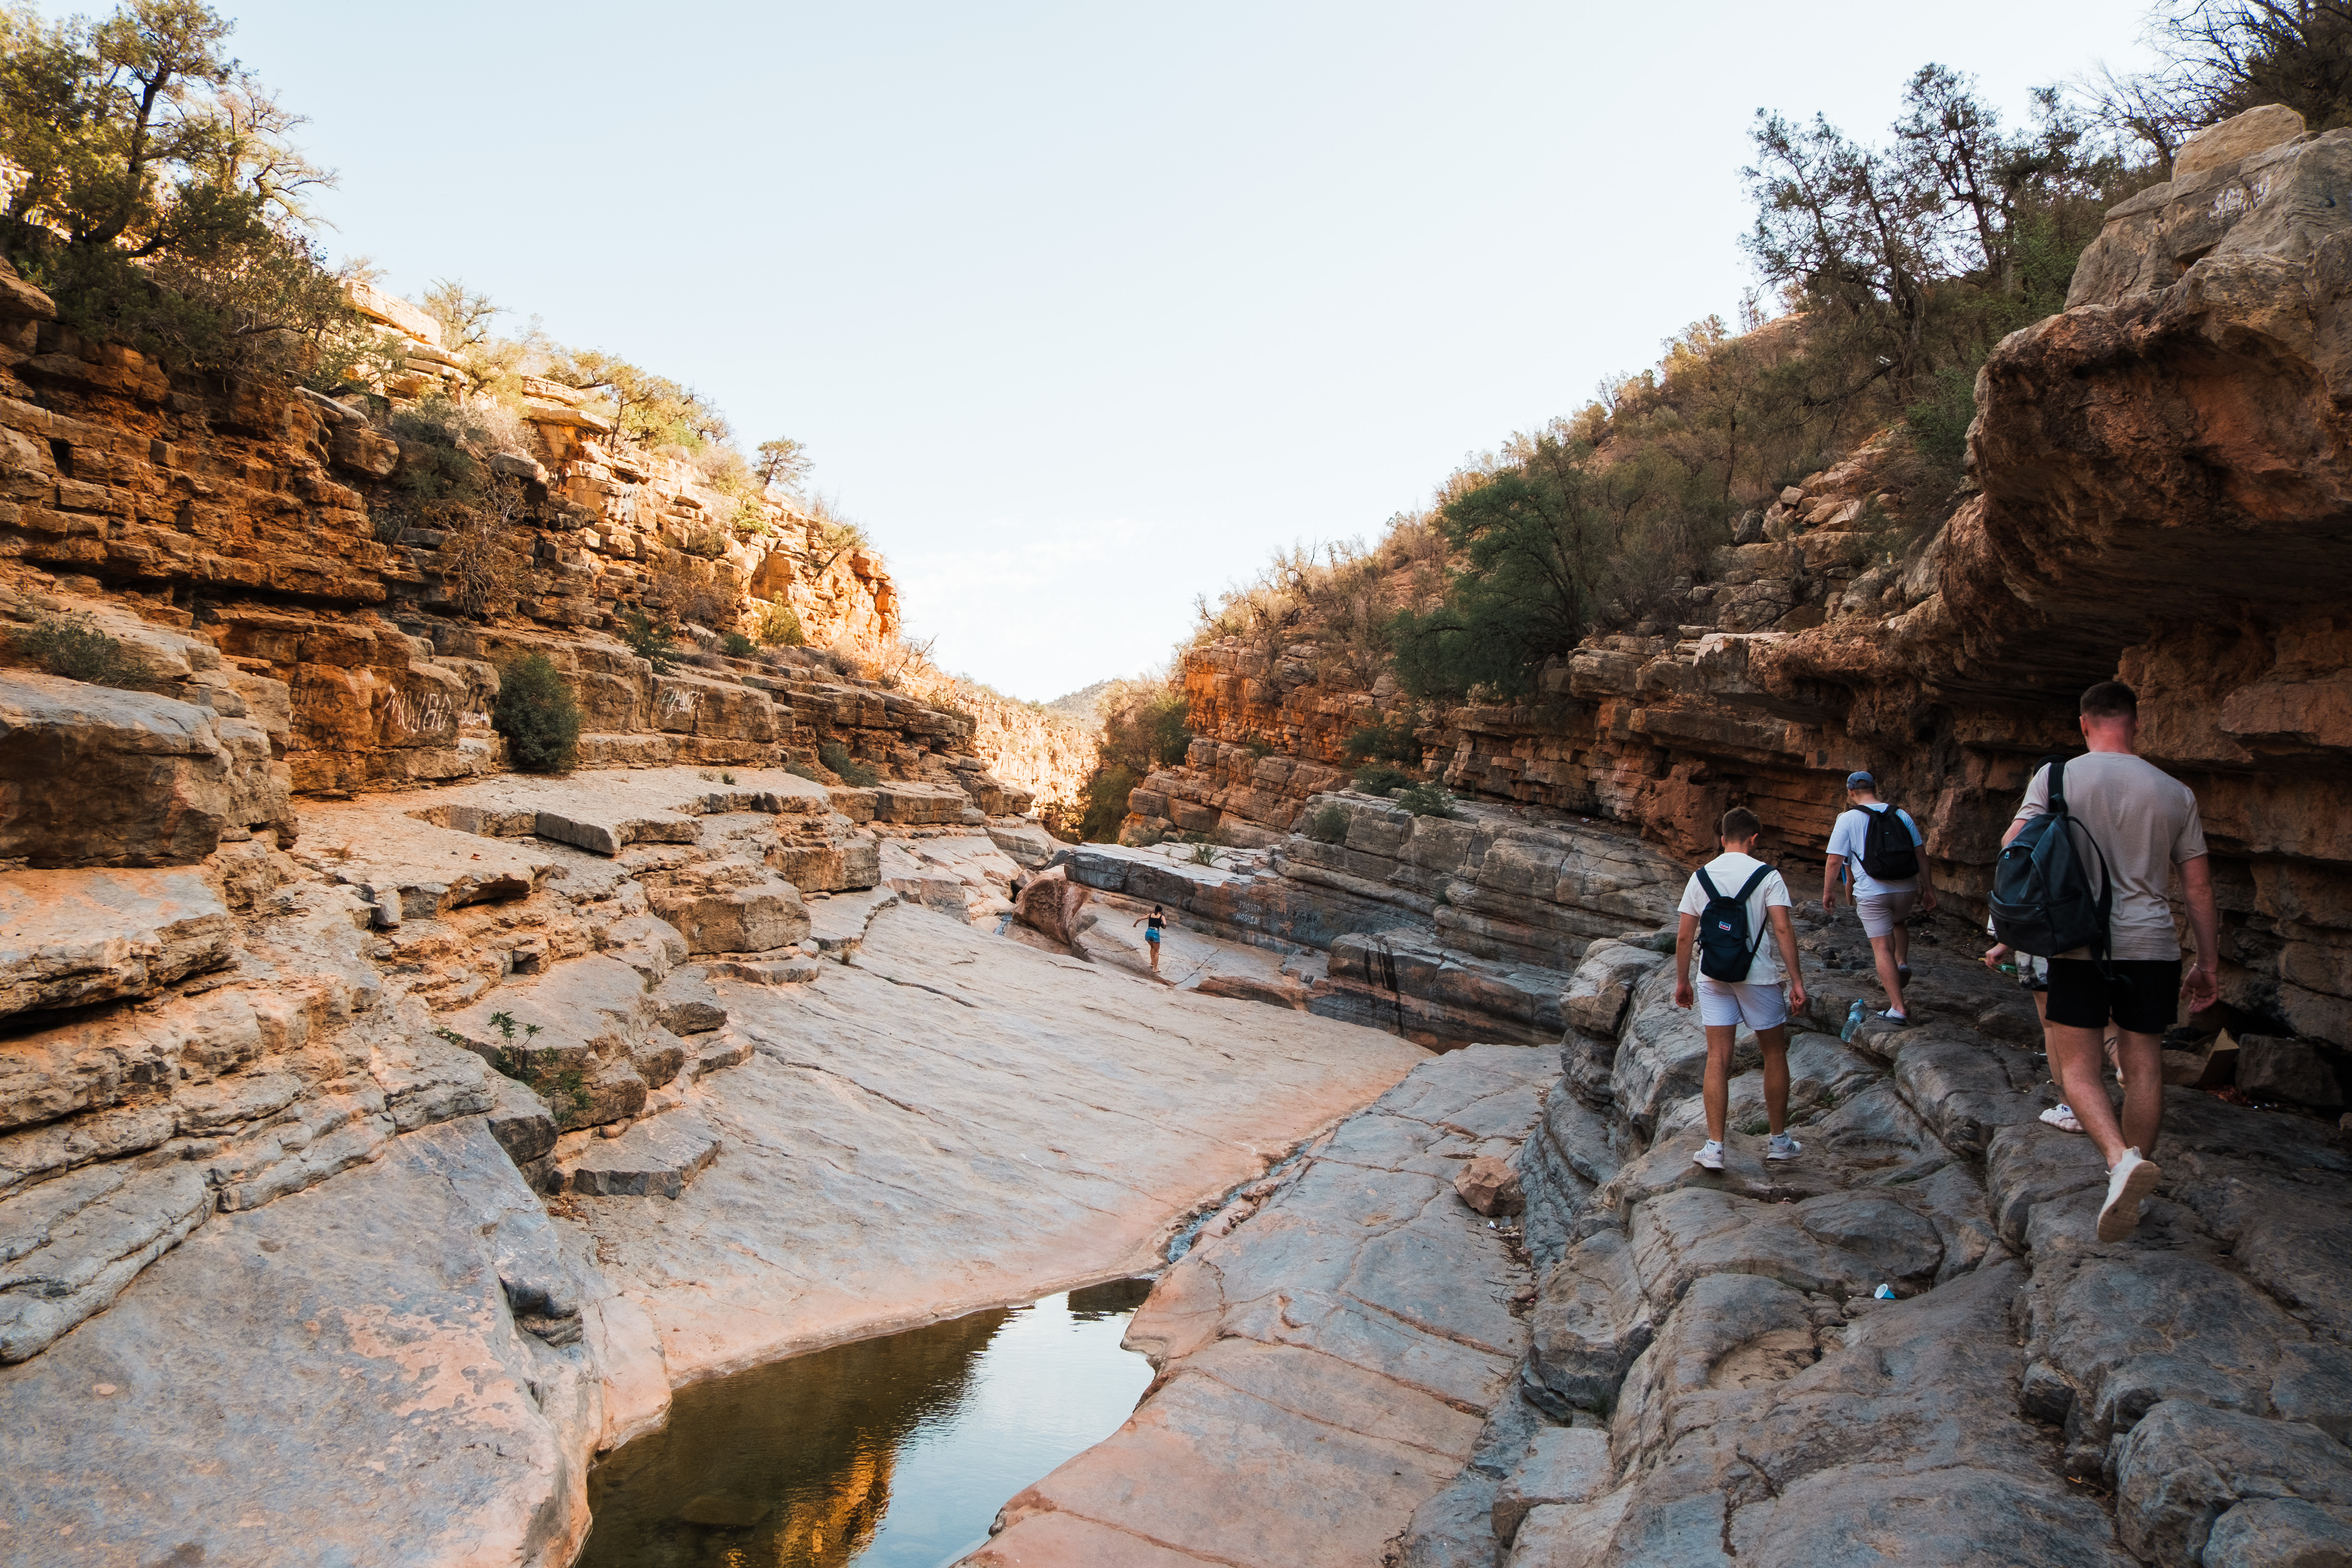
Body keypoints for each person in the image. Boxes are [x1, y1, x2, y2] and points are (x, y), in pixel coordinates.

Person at [2004, 680, 2219, 1242]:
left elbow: (2013, 848)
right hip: (2152, 943)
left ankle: (2120, 1163)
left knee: (2078, 1068)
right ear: (2136, 723)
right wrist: (2208, 962)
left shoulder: (2056, 778)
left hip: (2080, 941)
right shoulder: (2175, 792)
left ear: (2083, 723)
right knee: (2144, 1066)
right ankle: (2132, 1183)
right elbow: (2198, 889)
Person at [1673, 807, 1809, 1170]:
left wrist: (1683, 981)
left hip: (1713, 976)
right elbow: (1783, 929)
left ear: (1722, 839)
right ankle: (1779, 1142)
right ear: (1754, 839)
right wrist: (1797, 980)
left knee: (1718, 1058)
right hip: (1758, 976)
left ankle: (1715, 1148)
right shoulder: (1768, 876)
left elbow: (1685, 935)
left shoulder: (1701, 877)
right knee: (1774, 1054)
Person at [1821, 771, 1938, 1024]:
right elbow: (1921, 855)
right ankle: (1902, 963)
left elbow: (1834, 860)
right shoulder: (1901, 814)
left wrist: (1829, 892)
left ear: (1851, 793)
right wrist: (1928, 890)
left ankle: (1898, 1008)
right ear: (1875, 789)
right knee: (1898, 922)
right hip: (1906, 889)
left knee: (1882, 947)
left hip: (1872, 892)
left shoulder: (1848, 818)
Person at [1133, 905, 1167, 974]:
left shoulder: (1150, 915)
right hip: (1155, 934)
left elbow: (1140, 919)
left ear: (1155, 910)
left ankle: (1152, 962)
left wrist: (1135, 924)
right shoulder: (1162, 917)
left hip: (1148, 933)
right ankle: (1156, 969)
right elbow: (1165, 923)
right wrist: (1164, 927)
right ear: (1161, 911)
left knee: (1152, 947)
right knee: (1157, 951)